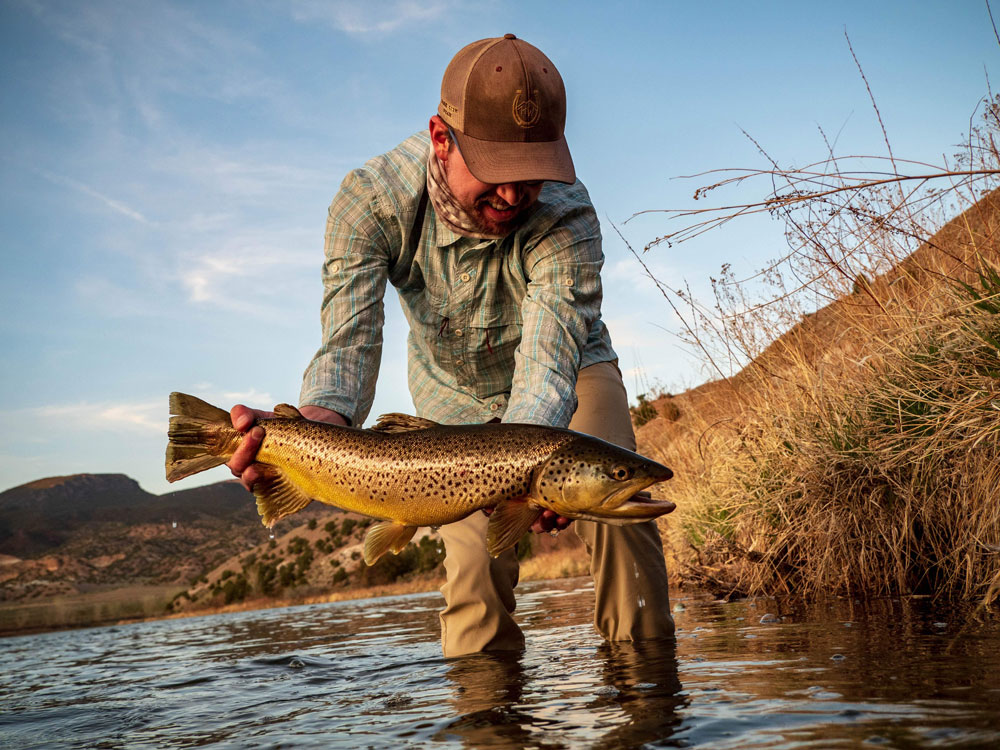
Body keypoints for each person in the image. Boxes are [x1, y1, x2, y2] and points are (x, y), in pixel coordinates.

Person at [227, 34, 674, 657]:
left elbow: (549, 359)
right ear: (441, 137)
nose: (516, 195)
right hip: (451, 400)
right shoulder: (370, 202)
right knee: (474, 581)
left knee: (623, 524)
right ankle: (489, 718)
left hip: (570, 378)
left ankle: (648, 700)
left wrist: (534, 478)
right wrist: (313, 430)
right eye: (496, 172)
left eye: (533, 175)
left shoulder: (569, 216)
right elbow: (348, 345)